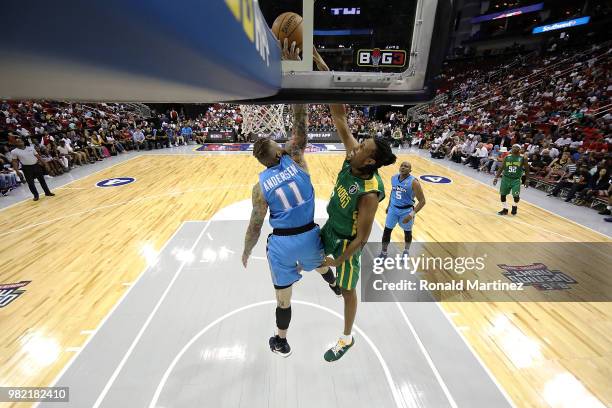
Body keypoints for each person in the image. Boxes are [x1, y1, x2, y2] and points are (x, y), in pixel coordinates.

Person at [241, 40, 340, 358]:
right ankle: (335, 285)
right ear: (278, 150)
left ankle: (281, 339)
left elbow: (256, 226)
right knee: (320, 263)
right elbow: (300, 121)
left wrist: (246, 250)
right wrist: (296, 74)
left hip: (282, 245)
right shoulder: (296, 157)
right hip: (310, 235)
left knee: (283, 299)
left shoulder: (260, 186)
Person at [379, 161, 426, 258]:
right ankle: (384, 252)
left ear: (410, 170)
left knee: (407, 232)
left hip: (406, 211)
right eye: (402, 165)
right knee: (387, 231)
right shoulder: (394, 178)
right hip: (393, 209)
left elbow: (422, 201)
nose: (403, 167)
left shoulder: (414, 182)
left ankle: (406, 250)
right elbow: (393, 192)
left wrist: (411, 215)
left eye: (406, 166)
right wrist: (388, 205)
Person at [493, 144, 529, 215]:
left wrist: (527, 180)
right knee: (502, 195)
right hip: (506, 178)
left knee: (516, 196)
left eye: (516, 147)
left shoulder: (523, 158)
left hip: (516, 180)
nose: (514, 148)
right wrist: (496, 177)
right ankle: (505, 209)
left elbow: (527, 170)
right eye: (513, 147)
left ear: (519, 149)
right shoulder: (507, 157)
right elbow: (501, 168)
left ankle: (514, 206)